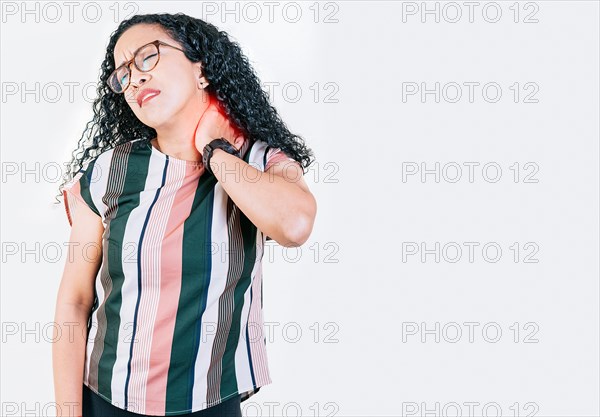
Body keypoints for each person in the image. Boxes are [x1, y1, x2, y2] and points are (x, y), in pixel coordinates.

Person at [52, 12, 317, 417]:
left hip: (210, 401)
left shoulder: (259, 161)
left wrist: (214, 147)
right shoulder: (110, 171)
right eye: (122, 74)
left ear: (202, 70)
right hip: (106, 400)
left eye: (147, 57)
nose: (134, 79)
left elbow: (295, 227)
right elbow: (74, 301)